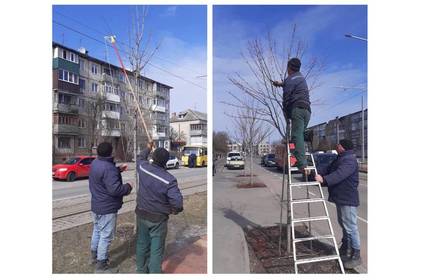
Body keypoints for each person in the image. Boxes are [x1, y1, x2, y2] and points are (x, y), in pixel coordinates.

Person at [135, 142, 184, 273]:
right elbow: (178, 203)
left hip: (142, 213)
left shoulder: (143, 168)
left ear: (153, 158)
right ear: (166, 161)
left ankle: (141, 271)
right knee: (156, 249)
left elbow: (140, 158)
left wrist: (148, 147)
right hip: (158, 219)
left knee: (142, 244)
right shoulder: (169, 180)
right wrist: (175, 210)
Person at [315, 139, 361, 269]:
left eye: (339, 144)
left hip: (347, 198)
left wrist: (324, 179)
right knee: (344, 224)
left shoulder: (349, 160)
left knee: (351, 226)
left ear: (344, 147)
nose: (337, 145)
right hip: (341, 197)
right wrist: (315, 172)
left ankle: (356, 255)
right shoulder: (340, 158)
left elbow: (339, 174)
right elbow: (328, 168)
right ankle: (345, 248)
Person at [89, 142, 133, 273]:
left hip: (96, 206)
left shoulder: (95, 163)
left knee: (97, 231)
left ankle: (94, 257)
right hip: (107, 208)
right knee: (105, 236)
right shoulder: (109, 168)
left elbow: (103, 177)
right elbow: (115, 190)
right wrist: (128, 187)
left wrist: (117, 170)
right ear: (111, 152)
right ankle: (101, 266)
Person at [272, 58, 311, 173]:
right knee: (300, 134)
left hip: (297, 110)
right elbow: (288, 83)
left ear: (289, 67)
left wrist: (287, 114)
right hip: (307, 110)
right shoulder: (301, 77)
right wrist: (280, 84)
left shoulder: (289, 80)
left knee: (296, 136)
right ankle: (308, 135)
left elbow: (287, 99)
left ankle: (302, 165)